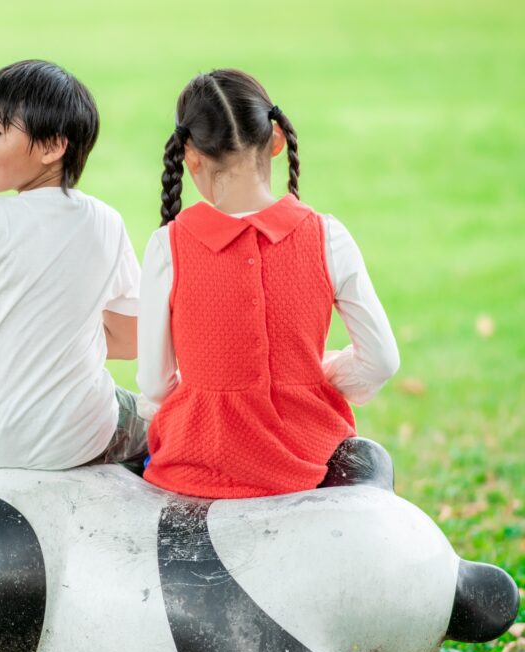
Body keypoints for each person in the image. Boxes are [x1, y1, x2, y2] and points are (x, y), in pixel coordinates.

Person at [137, 68, 399, 499]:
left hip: (200, 463)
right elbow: (382, 362)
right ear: (276, 141)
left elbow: (155, 384)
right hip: (308, 457)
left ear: (191, 156)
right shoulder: (328, 235)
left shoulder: (168, 245)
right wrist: (322, 373)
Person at [0, 60, 148, 471]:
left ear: (52, 147)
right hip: (73, 437)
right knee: (151, 422)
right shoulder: (106, 222)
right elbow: (131, 340)